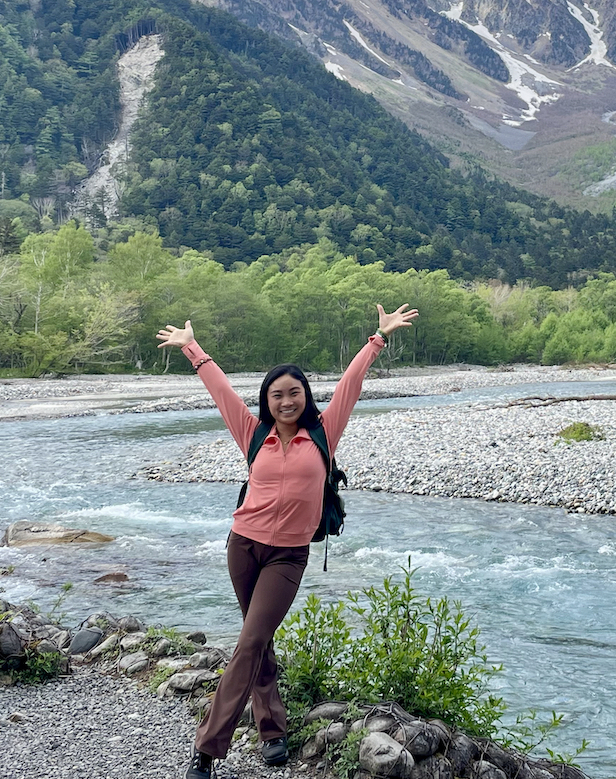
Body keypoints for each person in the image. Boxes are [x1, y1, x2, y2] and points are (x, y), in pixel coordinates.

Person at [156, 304, 419, 779]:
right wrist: (191, 347)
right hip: (243, 546)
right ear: (266, 400)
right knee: (257, 642)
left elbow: (351, 385)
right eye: (277, 395)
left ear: (306, 396)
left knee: (251, 639)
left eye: (294, 393)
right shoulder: (253, 433)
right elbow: (219, 391)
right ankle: (272, 731)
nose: (286, 401)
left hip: (288, 555)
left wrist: (377, 338)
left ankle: (207, 751)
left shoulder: (323, 434)